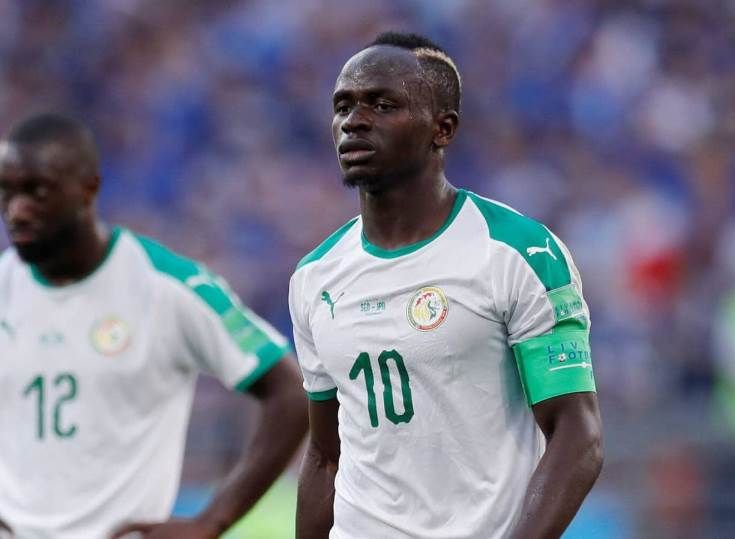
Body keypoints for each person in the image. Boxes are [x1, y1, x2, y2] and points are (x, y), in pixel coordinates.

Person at [288, 32, 603, 539]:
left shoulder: (518, 253)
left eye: (382, 105)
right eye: (343, 106)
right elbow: (326, 456)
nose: (354, 121)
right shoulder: (315, 277)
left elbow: (577, 435)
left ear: (443, 129)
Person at [0, 113, 307, 539]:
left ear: (88, 188)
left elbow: (291, 393)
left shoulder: (166, 285)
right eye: (7, 192)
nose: (17, 211)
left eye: (37, 191)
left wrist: (212, 521)